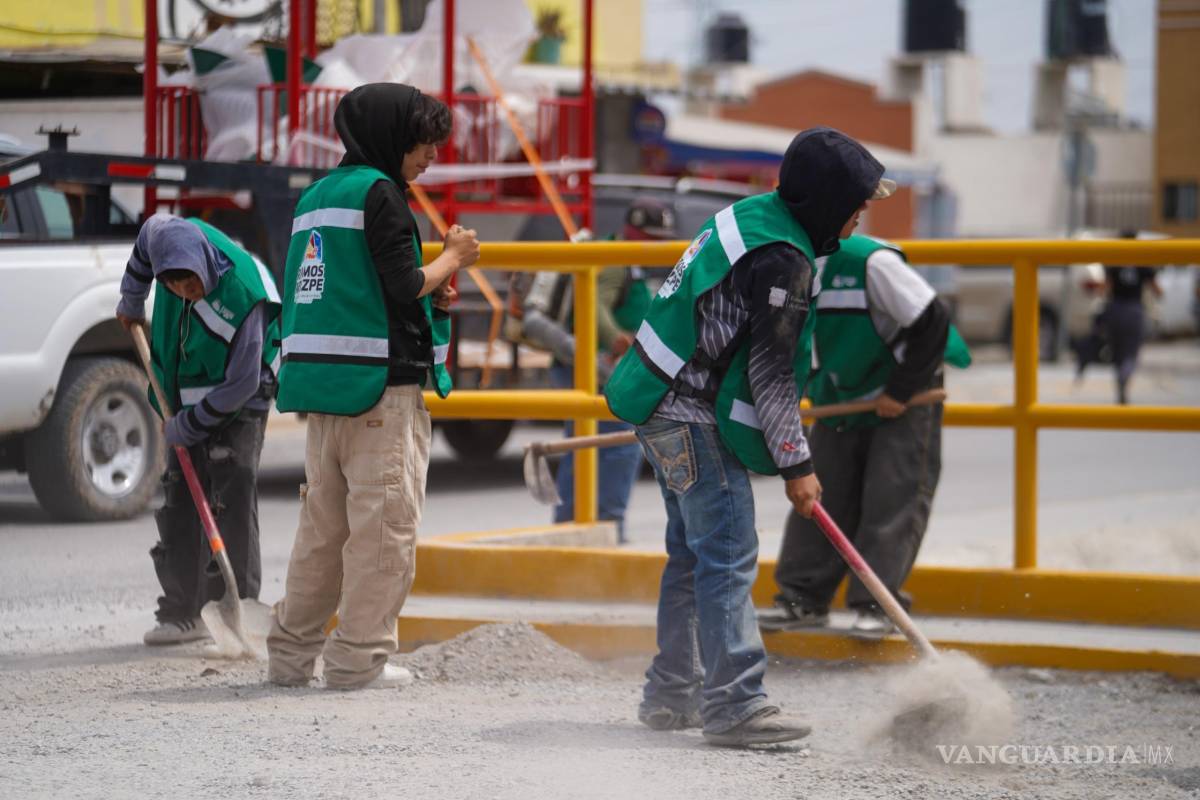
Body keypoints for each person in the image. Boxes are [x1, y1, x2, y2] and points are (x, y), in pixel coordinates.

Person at [605, 127, 894, 747]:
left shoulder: (750, 216)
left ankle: (671, 692)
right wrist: (798, 465)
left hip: (653, 399)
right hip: (691, 415)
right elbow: (771, 374)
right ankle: (736, 704)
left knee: (691, 556)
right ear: (824, 201)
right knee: (728, 554)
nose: (858, 217)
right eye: (855, 204)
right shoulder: (783, 261)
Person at [266, 83, 479, 690]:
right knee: (383, 532)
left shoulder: (317, 196)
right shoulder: (381, 194)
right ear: (390, 135)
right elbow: (403, 281)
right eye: (422, 141)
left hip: (327, 392)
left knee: (322, 534)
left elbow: (349, 286)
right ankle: (358, 661)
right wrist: (453, 257)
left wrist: (427, 284)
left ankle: (289, 658)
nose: (431, 154)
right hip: (381, 394)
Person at [761, 234, 971, 638]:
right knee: (820, 493)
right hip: (841, 392)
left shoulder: (870, 264)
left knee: (891, 498)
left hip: (903, 391)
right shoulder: (785, 268)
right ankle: (802, 598)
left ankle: (877, 606)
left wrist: (900, 390)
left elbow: (933, 322)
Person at [115, 213, 281, 645]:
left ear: (205, 267)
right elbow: (142, 248)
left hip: (245, 392)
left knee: (233, 487)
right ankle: (182, 612)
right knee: (181, 497)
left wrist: (191, 425)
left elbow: (242, 383)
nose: (188, 293)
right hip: (183, 389)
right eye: (177, 287)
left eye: (193, 284)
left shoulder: (246, 296)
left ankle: (235, 607)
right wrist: (131, 299)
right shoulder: (163, 239)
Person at [524, 198, 674, 541]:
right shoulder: (618, 260)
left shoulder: (623, 258)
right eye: (653, 238)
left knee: (584, 445)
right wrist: (616, 338)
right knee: (618, 444)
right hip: (590, 366)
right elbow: (595, 305)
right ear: (633, 232)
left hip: (579, 365)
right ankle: (608, 528)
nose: (659, 246)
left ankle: (571, 527)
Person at [1072, 231, 1161, 404]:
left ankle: (1110, 374)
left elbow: (1105, 287)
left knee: (1117, 352)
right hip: (1134, 310)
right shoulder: (1143, 262)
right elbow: (1157, 290)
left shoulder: (1115, 260)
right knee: (1130, 353)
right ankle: (1124, 377)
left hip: (1115, 309)